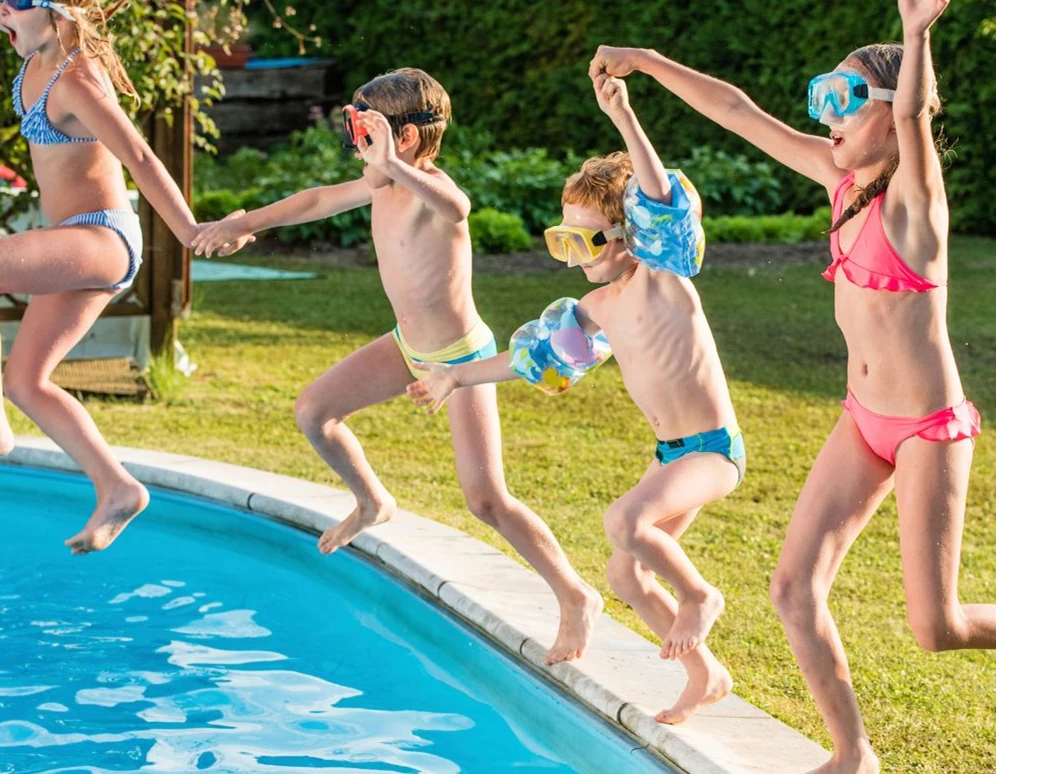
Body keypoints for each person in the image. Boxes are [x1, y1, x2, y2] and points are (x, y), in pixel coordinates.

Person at [588, 0, 994, 769]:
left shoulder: (914, 204)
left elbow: (912, 114)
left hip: (923, 431)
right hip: (861, 422)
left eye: (843, 101)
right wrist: (644, 60)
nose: (824, 117)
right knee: (791, 589)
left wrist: (916, 34)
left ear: (888, 111)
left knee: (934, 627)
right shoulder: (840, 183)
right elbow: (737, 111)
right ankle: (852, 756)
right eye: (820, 97)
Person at [191, 67, 603, 665]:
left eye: (364, 131)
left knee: (485, 499)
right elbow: (316, 201)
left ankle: (575, 594)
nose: (356, 143)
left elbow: (459, 207)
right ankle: (372, 502)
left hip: (461, 358)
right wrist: (243, 222)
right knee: (315, 411)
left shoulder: (430, 191)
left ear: (402, 138)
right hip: (405, 346)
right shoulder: (378, 182)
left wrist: (396, 165)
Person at [406, 72, 743, 724]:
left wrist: (623, 116)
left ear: (627, 236)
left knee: (624, 523)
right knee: (623, 575)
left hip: (711, 450)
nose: (570, 252)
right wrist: (456, 378)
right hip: (670, 452)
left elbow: (659, 196)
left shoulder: (660, 279)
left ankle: (700, 597)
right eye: (561, 238)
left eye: (583, 238)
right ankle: (705, 676)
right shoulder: (596, 305)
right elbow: (536, 357)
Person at [0, 0, 233, 555]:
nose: (1, 15)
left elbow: (138, 154)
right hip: (75, 238)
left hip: (101, 237)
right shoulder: (35, 38)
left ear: (53, 10)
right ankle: (117, 488)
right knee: (25, 381)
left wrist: (187, 231)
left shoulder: (78, 78)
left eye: (12, 8)